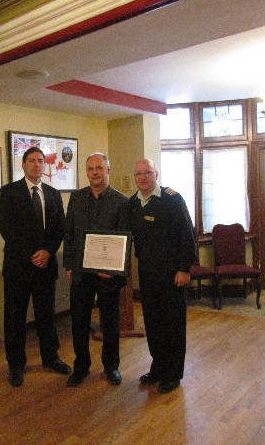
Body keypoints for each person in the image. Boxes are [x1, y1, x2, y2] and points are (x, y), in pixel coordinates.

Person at [0, 146, 72, 387]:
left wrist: (48, 252)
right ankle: (16, 365)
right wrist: (33, 254)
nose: (37, 165)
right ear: (23, 165)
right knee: (15, 318)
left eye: (41, 161)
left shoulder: (52, 193)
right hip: (18, 266)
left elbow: (59, 227)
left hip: (45, 266)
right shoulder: (9, 192)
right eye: (31, 161)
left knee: (46, 316)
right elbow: (6, 229)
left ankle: (50, 358)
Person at [129, 158, 196, 393]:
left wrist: (184, 268)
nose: (143, 177)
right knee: (153, 322)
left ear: (156, 173)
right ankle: (158, 367)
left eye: (147, 172)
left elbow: (187, 235)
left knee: (173, 325)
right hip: (148, 275)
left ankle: (173, 374)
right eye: (138, 174)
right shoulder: (134, 204)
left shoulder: (172, 199)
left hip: (172, 274)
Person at [63, 153, 129, 387]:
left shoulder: (122, 201)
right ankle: (81, 367)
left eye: (99, 168)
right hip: (81, 271)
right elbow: (69, 233)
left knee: (110, 321)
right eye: (91, 169)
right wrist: (69, 264)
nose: (95, 173)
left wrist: (116, 270)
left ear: (108, 170)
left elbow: (124, 240)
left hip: (108, 273)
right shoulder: (77, 198)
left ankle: (111, 366)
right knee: (79, 320)